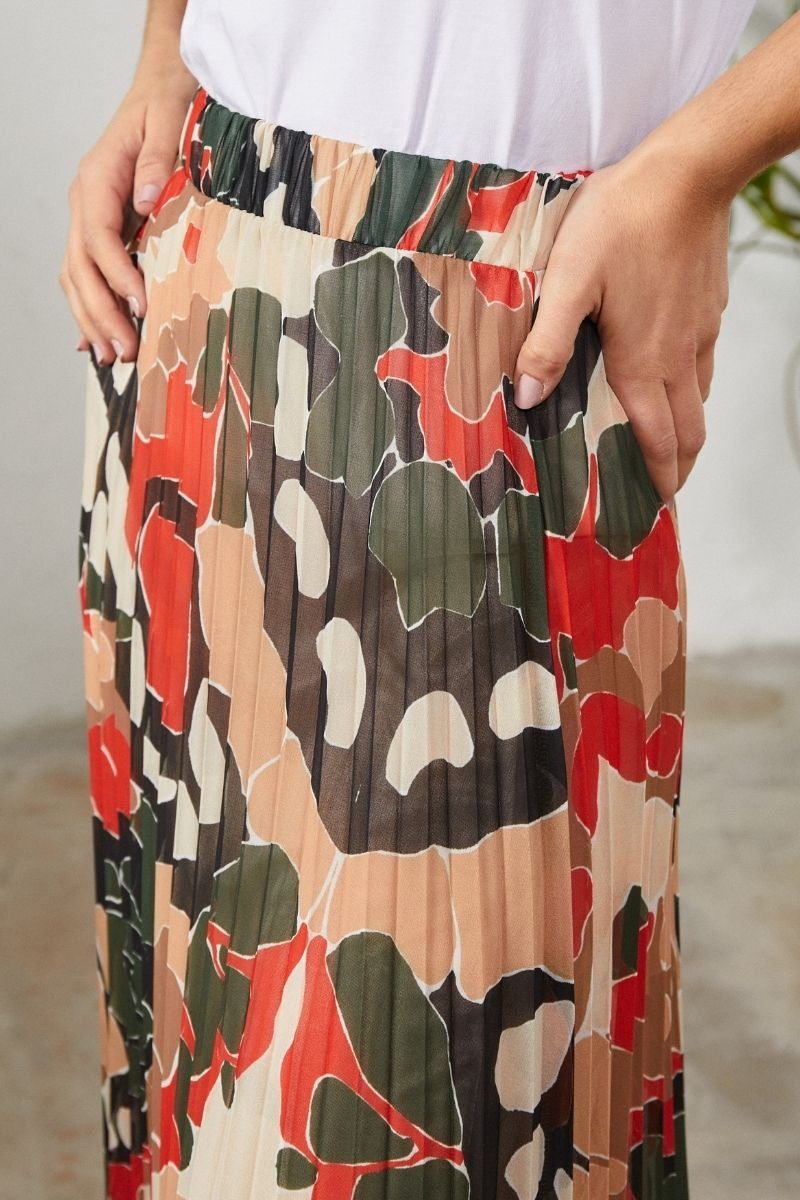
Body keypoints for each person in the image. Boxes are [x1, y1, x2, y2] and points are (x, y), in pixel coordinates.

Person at [60, 2, 800, 1197]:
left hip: (481, 331)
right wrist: (163, 56)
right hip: (199, 261)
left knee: (426, 1111)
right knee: (190, 1078)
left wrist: (690, 166)